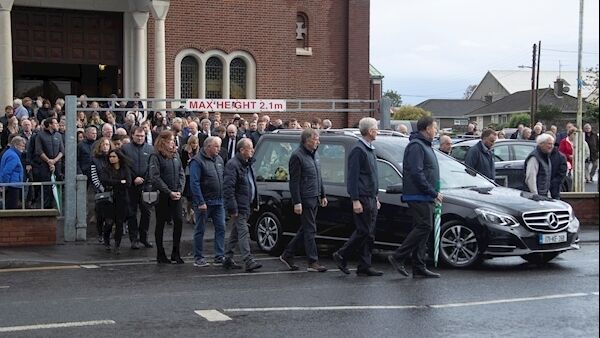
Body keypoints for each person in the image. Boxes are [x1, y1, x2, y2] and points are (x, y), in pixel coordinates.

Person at [388, 116, 442, 278]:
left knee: (423, 229)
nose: (436, 130)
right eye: (434, 127)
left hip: (424, 195)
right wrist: (432, 192)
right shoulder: (416, 146)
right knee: (424, 226)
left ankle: (418, 266)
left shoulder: (424, 145)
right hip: (418, 194)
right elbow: (416, 172)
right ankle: (398, 257)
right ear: (426, 129)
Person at [332, 117, 383, 277]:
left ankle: (364, 265)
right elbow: (352, 177)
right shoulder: (358, 150)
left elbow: (372, 176)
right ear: (369, 131)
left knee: (369, 233)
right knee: (364, 231)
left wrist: (376, 197)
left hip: (370, 197)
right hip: (362, 197)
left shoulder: (370, 149)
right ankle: (341, 254)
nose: (378, 132)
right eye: (376, 128)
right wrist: (355, 200)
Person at [279, 128, 328, 272]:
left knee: (306, 229)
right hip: (305, 198)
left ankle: (288, 254)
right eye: (316, 139)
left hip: (315, 196)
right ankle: (313, 262)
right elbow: (294, 182)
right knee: (310, 230)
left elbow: (318, 176)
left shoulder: (315, 154)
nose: (318, 142)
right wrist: (297, 202)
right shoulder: (297, 156)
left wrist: (323, 194)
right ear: (307, 140)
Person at [222, 138, 262, 272]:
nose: (252, 151)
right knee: (243, 232)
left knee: (235, 232)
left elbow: (251, 184)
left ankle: (227, 258)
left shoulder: (247, 164)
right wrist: (232, 208)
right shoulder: (233, 165)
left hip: (246, 205)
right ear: (241, 150)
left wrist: (255, 201)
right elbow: (228, 188)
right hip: (239, 206)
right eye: (250, 148)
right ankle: (248, 260)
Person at [189, 136, 226, 267]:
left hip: (219, 201)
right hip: (204, 202)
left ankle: (219, 255)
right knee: (200, 230)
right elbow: (194, 182)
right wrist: (200, 201)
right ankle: (198, 257)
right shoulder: (197, 161)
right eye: (216, 146)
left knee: (221, 228)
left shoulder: (219, 160)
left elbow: (222, 178)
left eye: (219, 146)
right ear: (208, 147)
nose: (219, 149)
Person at [149, 131, 185, 264]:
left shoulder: (176, 155)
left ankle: (176, 252)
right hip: (163, 195)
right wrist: (168, 191)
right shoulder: (156, 156)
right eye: (171, 141)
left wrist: (179, 190)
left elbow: (181, 173)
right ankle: (160, 253)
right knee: (160, 223)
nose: (173, 144)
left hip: (176, 195)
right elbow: (155, 177)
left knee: (179, 221)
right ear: (163, 141)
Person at [121, 127, 154, 249]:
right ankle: (133, 239)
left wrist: (145, 179)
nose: (140, 138)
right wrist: (134, 178)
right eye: (138, 136)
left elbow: (152, 166)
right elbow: (125, 167)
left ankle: (144, 237)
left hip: (146, 186)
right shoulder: (125, 149)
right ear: (132, 136)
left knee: (147, 212)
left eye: (142, 136)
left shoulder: (150, 149)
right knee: (131, 213)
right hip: (131, 185)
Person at [99, 149, 132, 254]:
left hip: (122, 199)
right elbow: (105, 181)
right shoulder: (106, 169)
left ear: (119, 158)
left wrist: (115, 183)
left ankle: (117, 245)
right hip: (109, 199)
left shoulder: (124, 169)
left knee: (119, 222)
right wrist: (120, 182)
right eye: (110, 157)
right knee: (109, 222)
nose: (111, 159)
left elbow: (128, 183)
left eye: (114, 157)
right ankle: (106, 239)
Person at [33, 117, 64, 208]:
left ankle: (58, 208)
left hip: (57, 165)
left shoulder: (58, 135)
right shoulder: (40, 135)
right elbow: (39, 151)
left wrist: (54, 161)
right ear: (50, 124)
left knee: (57, 187)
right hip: (44, 166)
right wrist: (49, 161)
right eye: (55, 123)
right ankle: (46, 209)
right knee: (46, 189)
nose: (57, 125)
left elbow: (62, 151)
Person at [90, 137, 111, 243]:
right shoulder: (95, 159)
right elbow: (94, 176)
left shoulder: (113, 157)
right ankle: (100, 234)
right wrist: (101, 188)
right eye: (103, 144)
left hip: (112, 189)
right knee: (100, 215)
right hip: (101, 191)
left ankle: (108, 235)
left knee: (110, 216)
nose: (105, 146)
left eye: (107, 144)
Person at [0, 136, 26, 209]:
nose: (23, 148)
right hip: (12, 186)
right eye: (22, 146)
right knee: (12, 209)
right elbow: (6, 172)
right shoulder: (13, 156)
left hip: (11, 185)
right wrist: (6, 185)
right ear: (15, 145)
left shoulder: (9, 153)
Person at [181, 135, 200, 223]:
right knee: (189, 197)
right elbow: (182, 163)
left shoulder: (198, 152)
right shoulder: (185, 152)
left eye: (196, 143)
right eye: (193, 143)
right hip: (187, 174)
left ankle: (194, 213)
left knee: (195, 197)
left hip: (195, 175)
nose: (194, 145)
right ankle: (189, 211)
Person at [547, 132, 568, 199]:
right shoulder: (539, 156)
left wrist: (552, 184)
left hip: (554, 189)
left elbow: (562, 174)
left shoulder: (561, 157)